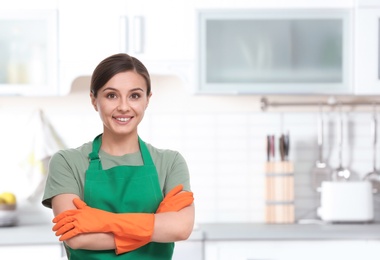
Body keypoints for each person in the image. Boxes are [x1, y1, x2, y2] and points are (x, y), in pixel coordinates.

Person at [42, 53, 195, 259]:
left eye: (134, 95)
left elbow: (180, 229)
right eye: (111, 95)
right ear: (94, 100)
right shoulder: (67, 162)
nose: (124, 106)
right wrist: (157, 226)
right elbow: (76, 237)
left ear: (147, 100)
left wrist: (101, 221)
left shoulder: (170, 163)